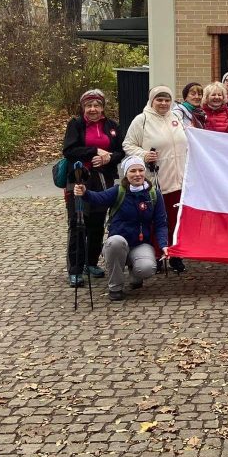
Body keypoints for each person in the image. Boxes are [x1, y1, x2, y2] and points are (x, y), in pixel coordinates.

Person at [73, 156, 168, 301]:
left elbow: (161, 223)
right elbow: (98, 198)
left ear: (145, 172)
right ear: (126, 173)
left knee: (147, 268)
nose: (137, 174)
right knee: (115, 243)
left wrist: (163, 245)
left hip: (140, 243)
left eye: (140, 170)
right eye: (133, 171)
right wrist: (85, 192)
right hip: (118, 241)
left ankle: (134, 271)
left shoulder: (154, 194)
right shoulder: (119, 191)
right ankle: (115, 288)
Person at [61, 89, 124, 287]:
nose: (93, 109)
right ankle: (75, 269)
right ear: (83, 107)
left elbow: (121, 151)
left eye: (96, 105)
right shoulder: (76, 125)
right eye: (88, 105)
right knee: (78, 222)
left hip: (103, 179)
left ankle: (91, 262)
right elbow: (69, 150)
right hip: (79, 178)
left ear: (103, 107)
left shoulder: (112, 126)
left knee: (97, 222)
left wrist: (108, 157)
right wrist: (94, 151)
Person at [122, 85, 188, 272]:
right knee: (157, 219)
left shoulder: (176, 118)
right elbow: (128, 144)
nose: (164, 103)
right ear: (152, 101)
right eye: (159, 99)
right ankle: (156, 254)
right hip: (156, 179)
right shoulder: (141, 120)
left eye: (167, 100)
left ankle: (176, 255)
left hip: (179, 178)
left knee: (176, 219)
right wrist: (143, 155)